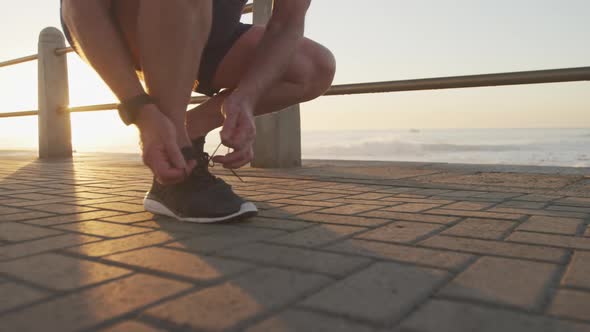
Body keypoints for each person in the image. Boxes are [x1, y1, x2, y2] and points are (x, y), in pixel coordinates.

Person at [60, 0, 336, 222]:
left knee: (314, 67)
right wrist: (140, 110)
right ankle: (178, 161)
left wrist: (246, 97)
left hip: (212, 31)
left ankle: (190, 129)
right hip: (126, 21)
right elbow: (80, 7)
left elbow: (286, 24)